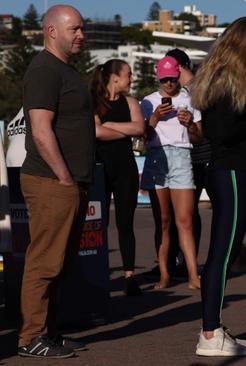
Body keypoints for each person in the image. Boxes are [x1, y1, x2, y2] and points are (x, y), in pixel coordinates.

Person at [191, 16, 246, 356]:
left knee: (222, 254)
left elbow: (223, 128)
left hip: (231, 170)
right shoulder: (227, 77)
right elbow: (224, 131)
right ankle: (210, 334)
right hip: (229, 171)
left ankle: (213, 329)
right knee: (223, 255)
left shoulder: (222, 75)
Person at [18, 4, 93, 358]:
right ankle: (30, 338)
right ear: (51, 31)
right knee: (44, 261)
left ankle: (50, 332)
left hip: (69, 181)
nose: (81, 35)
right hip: (52, 181)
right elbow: (40, 129)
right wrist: (63, 177)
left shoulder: (64, 70)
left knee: (59, 262)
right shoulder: (45, 71)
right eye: (74, 29)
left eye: (81, 29)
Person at [140, 56, 202, 290]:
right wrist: (154, 117)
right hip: (156, 157)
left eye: (172, 79)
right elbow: (143, 137)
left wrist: (190, 125)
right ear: (158, 78)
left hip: (182, 157)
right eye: (164, 79)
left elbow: (198, 138)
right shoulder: (147, 102)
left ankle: (193, 275)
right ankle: (164, 273)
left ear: (178, 77)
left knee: (184, 221)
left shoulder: (189, 100)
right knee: (163, 222)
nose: (168, 83)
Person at [91, 59, 145, 296]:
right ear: (115, 77)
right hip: (100, 168)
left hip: (126, 170)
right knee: (98, 225)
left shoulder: (131, 102)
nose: (131, 79)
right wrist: (123, 129)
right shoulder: (93, 102)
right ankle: (98, 272)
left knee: (125, 223)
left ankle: (130, 276)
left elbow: (140, 129)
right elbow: (96, 132)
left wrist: (111, 124)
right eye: (128, 74)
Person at [163, 48, 206, 278]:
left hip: (198, 155)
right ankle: (180, 261)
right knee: (187, 213)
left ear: (178, 67)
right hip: (196, 155)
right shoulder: (199, 85)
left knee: (188, 213)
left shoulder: (194, 90)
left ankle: (184, 262)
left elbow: (200, 125)